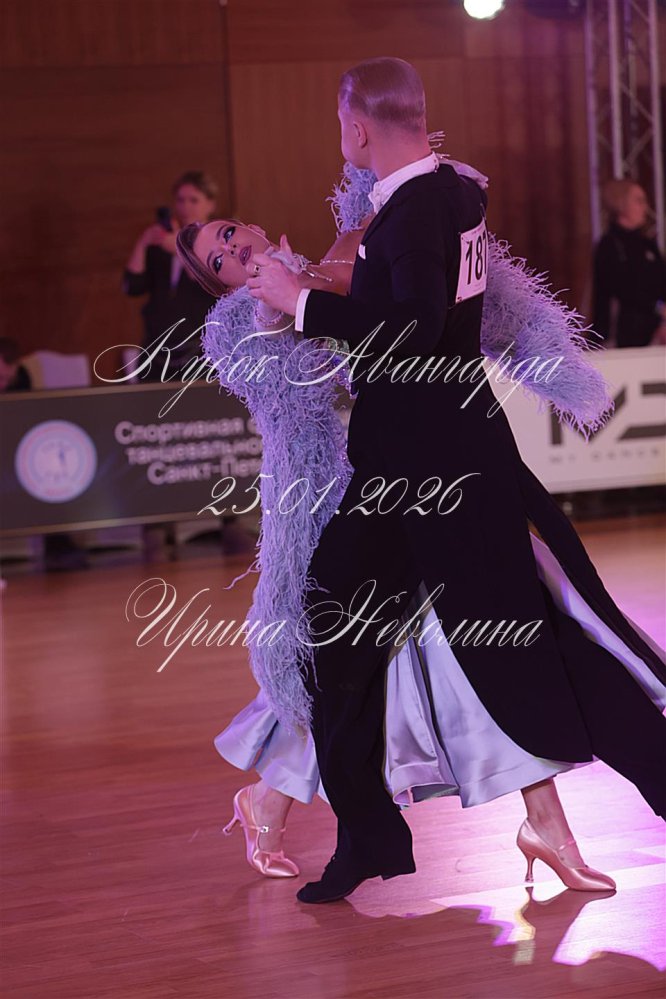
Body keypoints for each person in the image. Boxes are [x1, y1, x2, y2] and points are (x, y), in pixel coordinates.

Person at [245, 58, 666, 905]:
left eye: (340, 124)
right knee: (337, 628)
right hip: (403, 466)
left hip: (443, 468)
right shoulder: (447, 196)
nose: (341, 136)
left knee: (536, 648)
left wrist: (300, 302)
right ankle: (365, 838)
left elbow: (416, 328)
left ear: (357, 127)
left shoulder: (416, 211)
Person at [124, 171, 254, 558]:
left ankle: (229, 521)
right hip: (157, 354)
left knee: (213, 437)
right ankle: (156, 527)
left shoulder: (217, 246)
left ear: (210, 204)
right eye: (180, 200)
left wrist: (177, 250)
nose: (185, 207)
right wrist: (144, 242)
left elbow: (221, 286)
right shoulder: (160, 245)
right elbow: (131, 285)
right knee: (156, 439)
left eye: (193, 200)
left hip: (200, 352)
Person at [592, 179, 666, 348]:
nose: (645, 208)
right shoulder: (610, 245)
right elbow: (624, 290)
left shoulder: (648, 244)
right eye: (639, 201)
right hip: (621, 338)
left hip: (654, 335)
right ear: (621, 204)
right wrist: (656, 307)